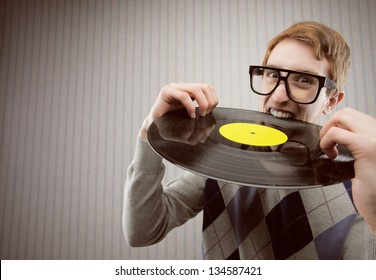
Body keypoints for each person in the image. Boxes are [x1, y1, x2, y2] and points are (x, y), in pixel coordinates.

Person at [123, 21, 376, 259]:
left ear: (330, 101)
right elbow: (143, 231)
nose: (277, 97)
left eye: (304, 80)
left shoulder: (360, 179)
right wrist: (150, 130)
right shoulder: (221, 158)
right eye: (272, 75)